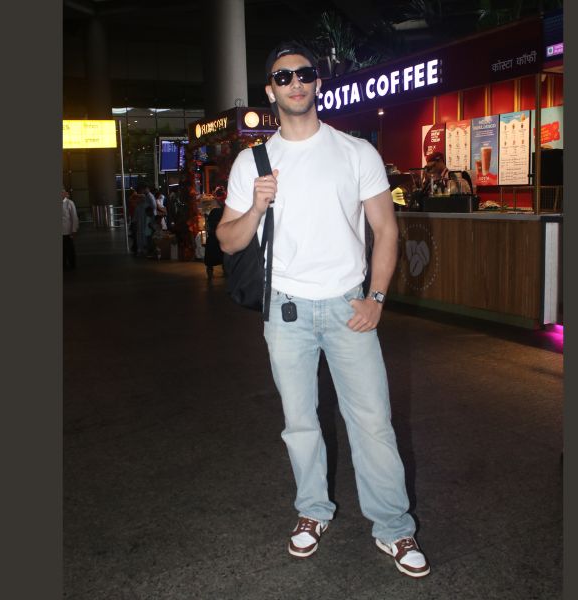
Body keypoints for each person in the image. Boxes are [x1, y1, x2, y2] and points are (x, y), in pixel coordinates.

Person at [216, 42, 430, 578]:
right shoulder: (252, 162)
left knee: (372, 421)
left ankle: (394, 527)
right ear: (270, 91)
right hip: (285, 310)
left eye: (304, 73)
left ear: (317, 83)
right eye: (283, 76)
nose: (295, 82)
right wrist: (257, 205)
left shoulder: (355, 152)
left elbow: (386, 229)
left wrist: (376, 298)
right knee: (299, 423)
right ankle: (312, 510)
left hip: (347, 307)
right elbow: (227, 240)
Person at [203, 189, 225, 280]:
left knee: (210, 259)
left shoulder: (214, 211)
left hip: (212, 238)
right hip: (222, 238)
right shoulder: (223, 211)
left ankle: (210, 273)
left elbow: (207, 226)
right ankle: (225, 271)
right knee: (223, 257)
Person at [61, 188, 79, 270]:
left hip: (67, 231)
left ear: (64, 193)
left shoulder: (69, 203)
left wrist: (74, 230)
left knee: (69, 249)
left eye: (62, 192)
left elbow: (74, 217)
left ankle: (72, 265)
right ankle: (63, 265)